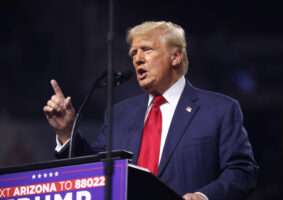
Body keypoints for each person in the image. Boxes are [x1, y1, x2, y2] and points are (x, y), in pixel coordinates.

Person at [43, 21, 258, 200]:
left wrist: (204, 196)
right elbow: (96, 171)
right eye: (134, 52)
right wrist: (66, 132)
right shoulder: (120, 114)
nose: (137, 58)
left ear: (176, 57)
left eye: (147, 49)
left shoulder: (219, 109)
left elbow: (242, 172)